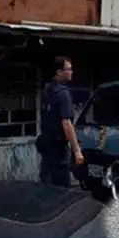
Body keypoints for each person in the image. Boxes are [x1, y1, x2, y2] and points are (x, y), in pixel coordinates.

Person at [37, 55, 84, 187]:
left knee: (46, 183)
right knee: (61, 187)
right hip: (57, 146)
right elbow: (66, 124)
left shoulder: (47, 90)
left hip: (46, 143)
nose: (71, 72)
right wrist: (77, 150)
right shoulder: (63, 94)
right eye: (68, 69)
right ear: (59, 72)